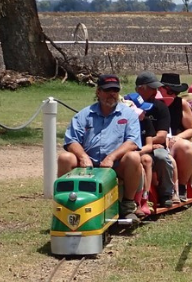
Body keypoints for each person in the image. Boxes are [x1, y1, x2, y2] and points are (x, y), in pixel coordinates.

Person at [57, 74, 143, 221]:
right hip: (88, 164)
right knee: (65, 157)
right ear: (98, 92)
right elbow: (71, 140)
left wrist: (111, 157)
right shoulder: (84, 115)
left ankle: (128, 205)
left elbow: (133, 142)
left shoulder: (129, 114)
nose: (112, 94)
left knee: (134, 157)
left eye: (115, 90)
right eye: (107, 90)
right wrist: (83, 157)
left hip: (116, 165)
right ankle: (67, 204)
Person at [129, 73, 176, 211]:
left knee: (161, 157)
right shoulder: (128, 105)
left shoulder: (160, 107)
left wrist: (146, 142)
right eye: (152, 88)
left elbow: (162, 136)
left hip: (154, 145)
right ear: (140, 89)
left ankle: (166, 194)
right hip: (133, 145)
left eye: (156, 88)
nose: (156, 92)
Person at [159, 73, 192, 202]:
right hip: (156, 138)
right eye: (169, 91)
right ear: (161, 88)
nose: (173, 95)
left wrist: (176, 137)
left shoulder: (181, 103)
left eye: (175, 92)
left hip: (174, 138)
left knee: (185, 146)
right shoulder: (153, 103)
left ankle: (182, 187)